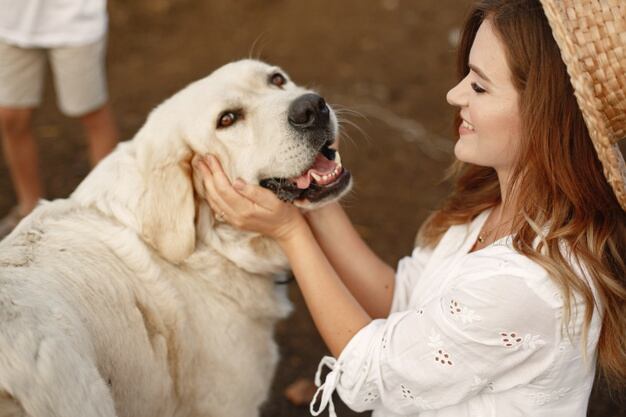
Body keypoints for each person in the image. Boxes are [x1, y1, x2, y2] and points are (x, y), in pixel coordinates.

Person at [197, 0, 626, 415]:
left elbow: (371, 372)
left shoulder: (527, 285)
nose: (454, 94)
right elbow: (404, 304)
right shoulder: (495, 207)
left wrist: (290, 234)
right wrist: (314, 191)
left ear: (544, 116)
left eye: (478, 85)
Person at [0, 0, 118, 238]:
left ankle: (108, 212)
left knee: (91, 112)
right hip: (10, 22)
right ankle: (28, 208)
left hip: (73, 20)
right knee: (11, 118)